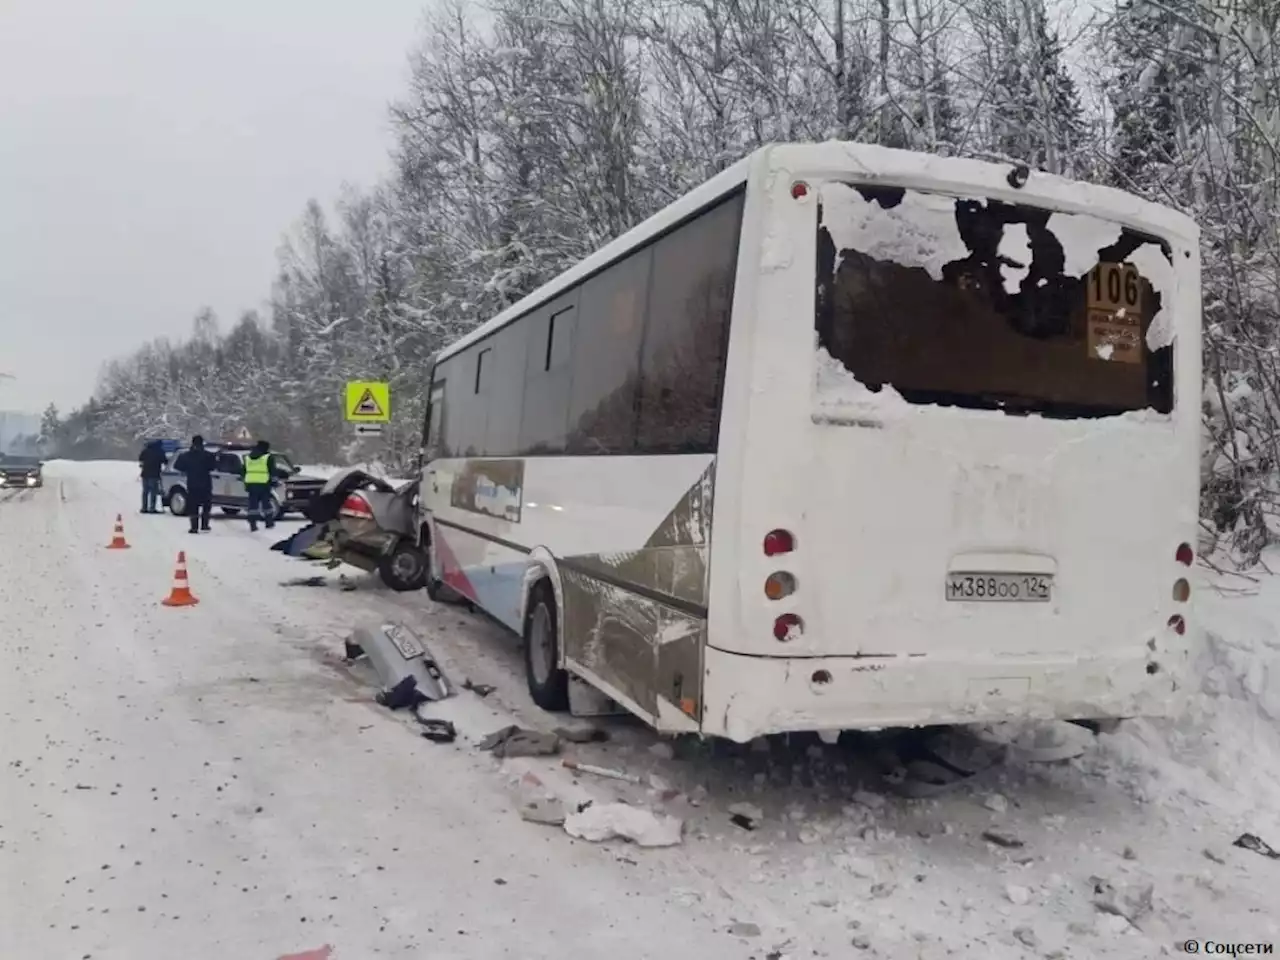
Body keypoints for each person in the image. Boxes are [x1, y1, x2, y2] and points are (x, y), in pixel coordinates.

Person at [240, 439, 289, 532]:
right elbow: (272, 471)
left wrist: (246, 481)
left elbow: (242, 471)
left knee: (252, 505)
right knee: (266, 504)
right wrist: (274, 481)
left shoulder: (247, 457)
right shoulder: (268, 457)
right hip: (264, 484)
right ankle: (269, 522)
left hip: (251, 484)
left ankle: (252, 524)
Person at [173, 435, 217, 534]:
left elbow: (178, 466)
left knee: (193, 506)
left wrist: (187, 469)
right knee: (206, 505)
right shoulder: (208, 455)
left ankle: (194, 527)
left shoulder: (186, 455)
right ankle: (205, 525)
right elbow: (213, 467)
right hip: (206, 484)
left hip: (192, 483)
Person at [137, 439, 167, 514]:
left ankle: (144, 507)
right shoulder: (159, 451)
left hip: (145, 473)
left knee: (145, 491)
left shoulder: (146, 450)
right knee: (153, 491)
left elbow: (140, 458)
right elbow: (165, 461)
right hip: (154, 474)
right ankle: (152, 508)